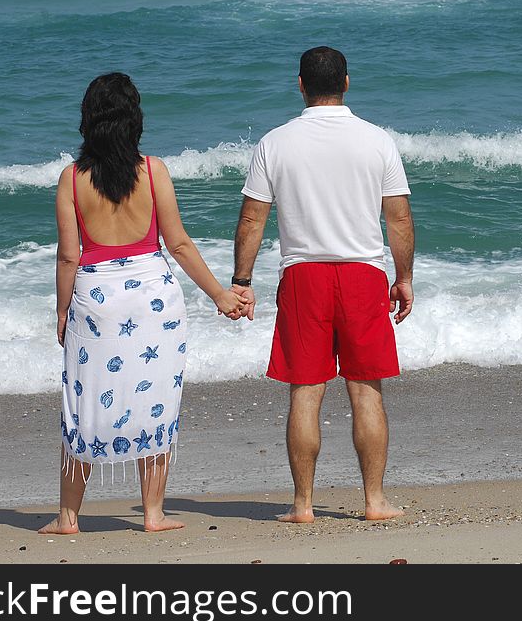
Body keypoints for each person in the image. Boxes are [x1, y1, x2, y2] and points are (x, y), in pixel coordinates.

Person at [40, 72, 248, 534]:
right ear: (136, 120)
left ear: (87, 120)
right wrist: (219, 295)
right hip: (154, 296)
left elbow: (69, 255)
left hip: (97, 299)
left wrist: (61, 312)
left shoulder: (71, 179)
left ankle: (68, 517)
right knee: (156, 398)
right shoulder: (153, 171)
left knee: (84, 403)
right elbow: (178, 243)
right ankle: (153, 513)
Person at [231, 46, 415, 523]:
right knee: (366, 390)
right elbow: (398, 217)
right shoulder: (377, 140)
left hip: (303, 275)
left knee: (305, 391)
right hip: (364, 273)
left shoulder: (275, 142)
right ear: (347, 83)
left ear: (300, 85)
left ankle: (303, 505)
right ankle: (374, 501)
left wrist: (242, 280)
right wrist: (404, 278)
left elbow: (253, 218)